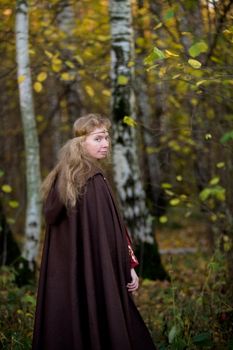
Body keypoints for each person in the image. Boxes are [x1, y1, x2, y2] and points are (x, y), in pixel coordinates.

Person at [32, 113, 156, 350]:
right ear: (81, 143)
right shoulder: (93, 179)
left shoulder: (64, 176)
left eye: (107, 138)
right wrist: (127, 266)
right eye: (98, 139)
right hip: (99, 274)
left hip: (69, 277)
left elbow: (107, 229)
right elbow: (111, 234)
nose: (106, 144)